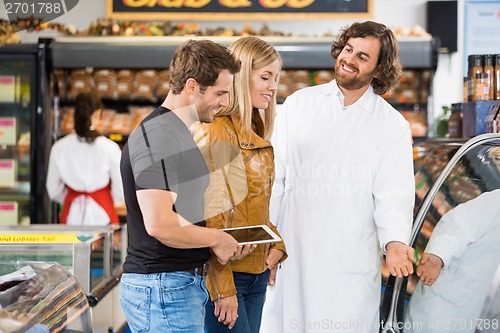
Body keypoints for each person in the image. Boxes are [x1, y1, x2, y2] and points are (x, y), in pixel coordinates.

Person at [260, 21, 416, 333]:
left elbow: (393, 196)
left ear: (378, 69)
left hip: (349, 258)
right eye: (348, 50)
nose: (349, 59)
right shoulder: (299, 104)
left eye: (362, 57)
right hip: (295, 249)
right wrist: (269, 240)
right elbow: (275, 179)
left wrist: (395, 242)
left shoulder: (391, 125)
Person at [119, 39, 253, 333]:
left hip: (177, 287)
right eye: (219, 93)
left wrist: (223, 239)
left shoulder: (178, 132)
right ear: (192, 86)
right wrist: (217, 239)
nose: (223, 102)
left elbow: (182, 213)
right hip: (163, 289)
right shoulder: (160, 135)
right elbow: (160, 224)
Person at [194, 36, 288, 332]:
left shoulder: (254, 133)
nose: (273, 86)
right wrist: (223, 289)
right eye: (265, 77)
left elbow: (251, 206)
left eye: (276, 77)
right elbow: (213, 216)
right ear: (241, 76)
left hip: (256, 273)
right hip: (229, 278)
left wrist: (276, 244)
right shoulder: (220, 132)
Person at [406, 189, 500, 332]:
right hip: (442, 308)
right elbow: (459, 226)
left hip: (471, 318)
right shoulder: (496, 203)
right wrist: (439, 256)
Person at [46, 91, 124, 226]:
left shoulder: (59, 147)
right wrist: (110, 199)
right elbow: (121, 189)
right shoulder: (110, 148)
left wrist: (74, 199)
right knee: (102, 247)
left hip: (71, 216)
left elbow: (53, 190)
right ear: (97, 114)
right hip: (103, 216)